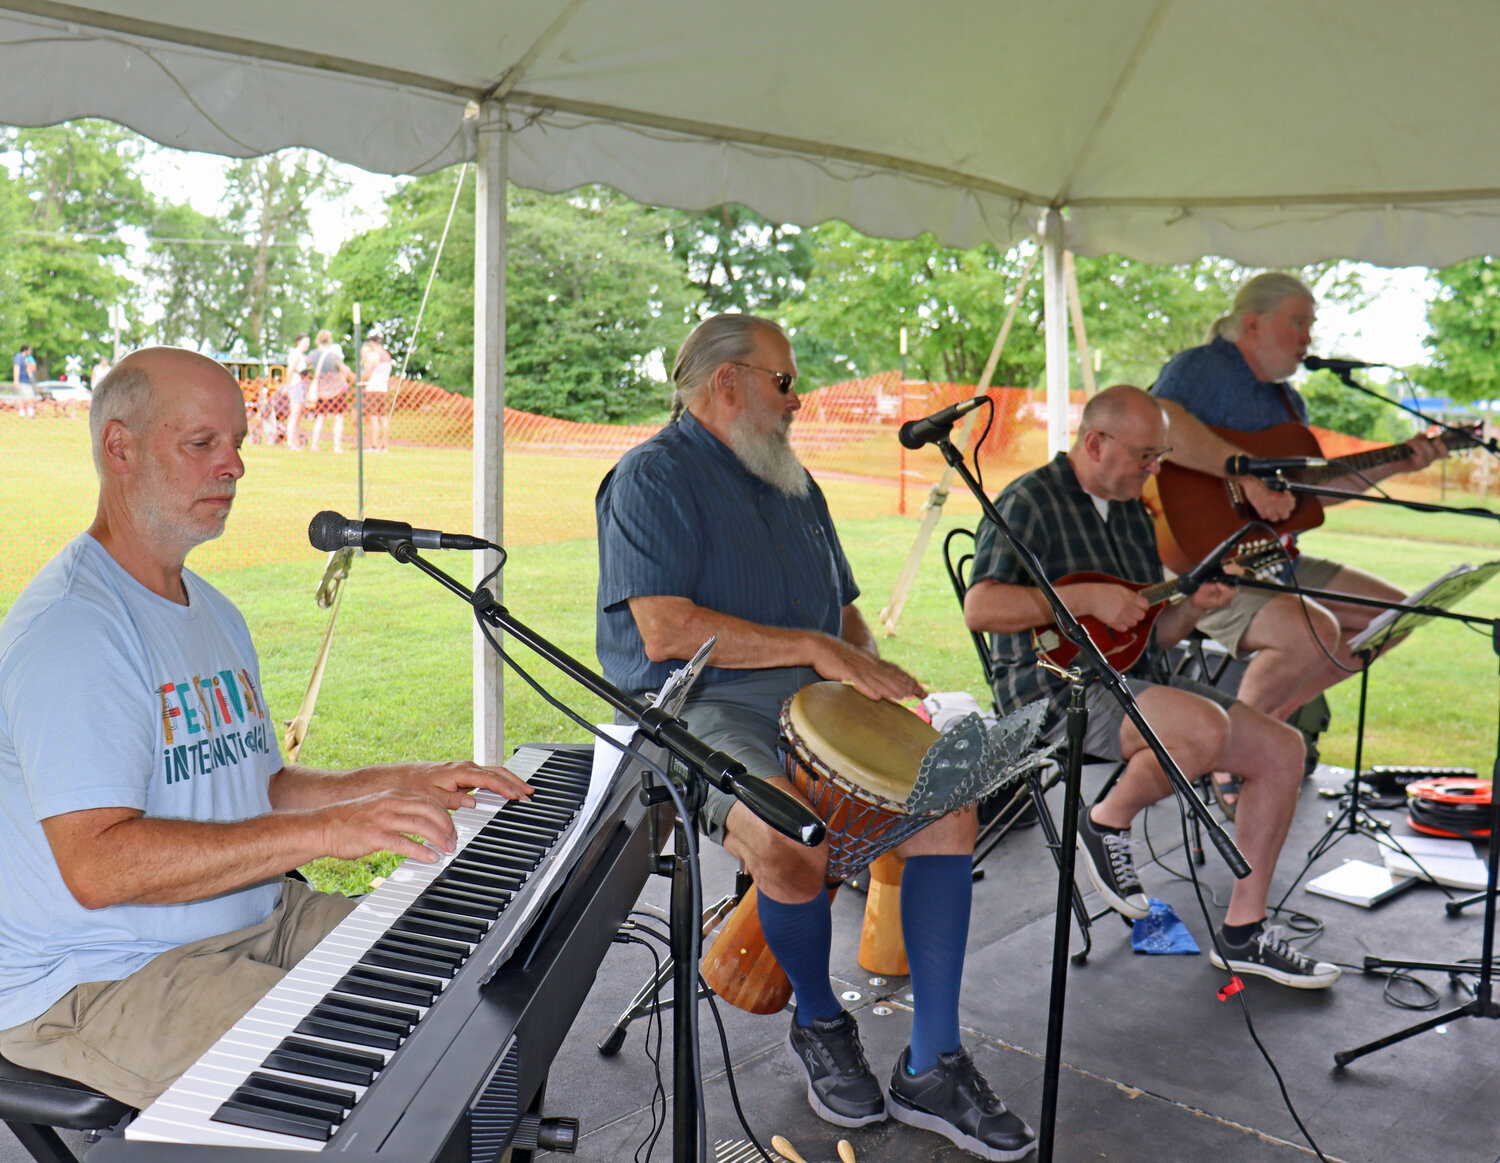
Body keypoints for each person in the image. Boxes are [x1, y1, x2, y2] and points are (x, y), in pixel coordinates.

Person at [0, 347, 532, 1110]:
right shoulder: (74, 628)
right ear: (120, 447)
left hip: (250, 911)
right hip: (102, 974)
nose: (235, 466)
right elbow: (100, 865)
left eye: (239, 443)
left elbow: (261, 786)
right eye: (202, 444)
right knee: (378, 1083)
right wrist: (329, 832)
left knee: (458, 986)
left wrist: (399, 781)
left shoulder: (211, 610)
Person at [596, 313, 1035, 1161]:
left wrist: (872, 682)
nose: (799, 400)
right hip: (702, 704)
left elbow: (839, 613)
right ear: (727, 383)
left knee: (950, 804)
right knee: (791, 839)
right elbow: (663, 629)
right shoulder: (651, 477)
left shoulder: (794, 481)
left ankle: (933, 1061)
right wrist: (816, 649)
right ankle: (819, 1019)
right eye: (785, 381)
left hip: (817, 695)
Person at [964, 385, 1339, 990]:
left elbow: (1152, 635)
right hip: (1056, 692)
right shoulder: (1030, 500)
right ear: (1095, 443)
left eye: (1158, 455)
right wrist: (1084, 598)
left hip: (1135, 680)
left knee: (1283, 749)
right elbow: (980, 608)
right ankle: (1106, 823)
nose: (1155, 469)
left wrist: (1193, 608)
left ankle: (1244, 933)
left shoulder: (1137, 514)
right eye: (1145, 456)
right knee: (1200, 726)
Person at [1151, 272, 1448, 730]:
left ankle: (1270, 723)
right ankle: (1238, 750)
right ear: (1253, 324)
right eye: (1298, 322)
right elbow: (1161, 422)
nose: (1308, 337)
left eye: (1311, 325)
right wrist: (1244, 475)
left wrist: (1398, 463)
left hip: (1274, 559)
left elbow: (1309, 496)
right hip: (1203, 563)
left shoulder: (1289, 404)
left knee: (1398, 615)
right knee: (1310, 632)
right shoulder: (1201, 368)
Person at [307, 330, 352, 453]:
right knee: (338, 418)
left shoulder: (312, 355)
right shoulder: (333, 356)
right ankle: (337, 446)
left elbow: (307, 367)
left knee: (320, 418)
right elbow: (343, 369)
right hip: (336, 390)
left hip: (321, 390)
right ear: (329, 340)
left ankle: (314, 444)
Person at [360, 330, 393, 452]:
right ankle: (384, 445)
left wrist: (359, 379)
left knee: (372, 417)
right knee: (383, 417)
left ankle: (373, 444)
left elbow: (367, 374)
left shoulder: (373, 356)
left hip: (372, 388)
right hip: (383, 388)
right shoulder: (387, 356)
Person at [284, 332, 311, 449]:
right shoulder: (296, 354)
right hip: (295, 385)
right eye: (305, 343)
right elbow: (291, 370)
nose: (307, 345)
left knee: (297, 414)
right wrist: (287, 385)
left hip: (300, 385)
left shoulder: (301, 355)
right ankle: (291, 442)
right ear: (299, 342)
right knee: (295, 413)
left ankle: (295, 441)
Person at [12, 343, 37, 418]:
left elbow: (32, 367)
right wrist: (16, 380)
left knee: (30, 396)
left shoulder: (28, 358)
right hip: (21, 381)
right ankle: (22, 412)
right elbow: (16, 368)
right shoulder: (19, 357)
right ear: (25, 350)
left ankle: (30, 412)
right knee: (22, 397)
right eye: (29, 349)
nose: (31, 351)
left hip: (28, 381)